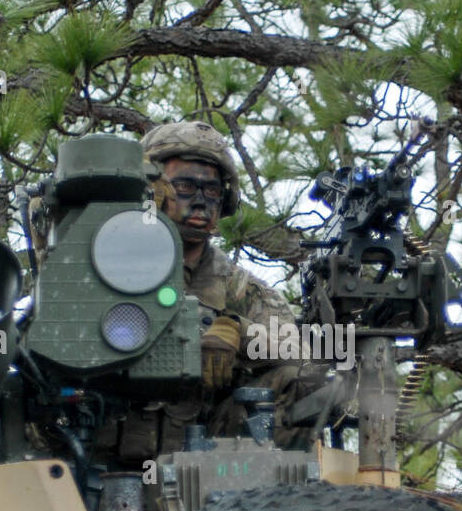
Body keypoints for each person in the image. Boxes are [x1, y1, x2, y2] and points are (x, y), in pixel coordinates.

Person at [90, 121, 303, 466]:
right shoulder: (102, 264)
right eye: (185, 187)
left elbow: (302, 354)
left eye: (213, 191)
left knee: (299, 381)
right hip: (95, 458)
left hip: (206, 464)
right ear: (151, 191)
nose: (202, 202)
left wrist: (238, 333)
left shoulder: (240, 289)